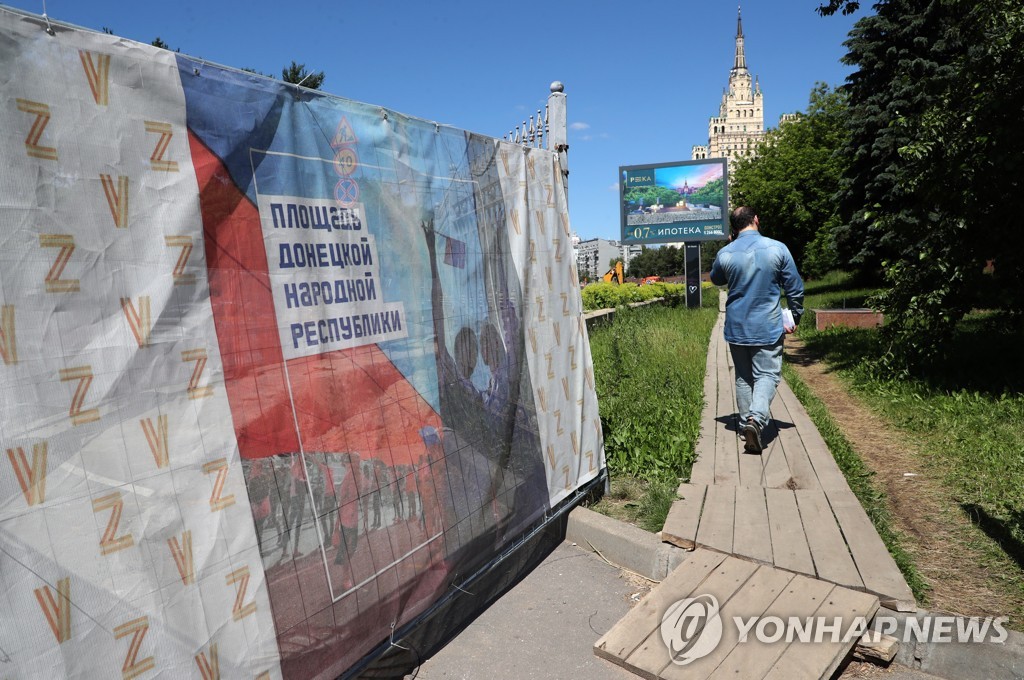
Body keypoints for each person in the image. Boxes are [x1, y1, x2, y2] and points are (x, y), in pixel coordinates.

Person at [709, 207, 804, 453]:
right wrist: (795, 315)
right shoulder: (777, 248)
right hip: (768, 325)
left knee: (743, 377)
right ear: (756, 220)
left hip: (736, 326)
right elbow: (794, 287)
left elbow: (716, 279)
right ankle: (756, 420)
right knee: (767, 375)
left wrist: (730, 246)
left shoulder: (725, 253)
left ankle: (744, 426)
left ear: (734, 227)